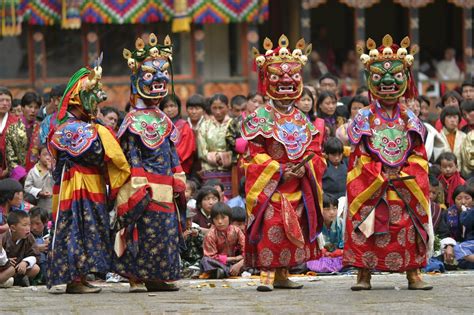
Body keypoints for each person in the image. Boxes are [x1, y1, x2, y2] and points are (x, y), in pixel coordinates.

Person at [344, 35, 433, 290]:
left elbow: (419, 155)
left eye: (395, 76)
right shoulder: (362, 118)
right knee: (365, 221)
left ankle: (413, 273)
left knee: (410, 221)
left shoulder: (410, 119)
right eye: (379, 77)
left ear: (406, 78)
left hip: (405, 183)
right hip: (373, 185)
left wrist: (404, 174)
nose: (387, 82)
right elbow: (358, 156)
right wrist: (379, 174)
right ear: (369, 80)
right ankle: (363, 274)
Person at [242, 35, 325, 291]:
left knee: (293, 231)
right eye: (278, 78)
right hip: (272, 185)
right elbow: (253, 153)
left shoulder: (302, 118)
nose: (286, 83)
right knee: (271, 226)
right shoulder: (260, 117)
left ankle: (283, 274)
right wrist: (279, 170)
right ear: (267, 80)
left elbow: (315, 150)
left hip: (298, 184)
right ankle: (266, 275)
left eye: (293, 78)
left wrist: (304, 167)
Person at [47, 60, 131, 293]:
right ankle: (74, 280)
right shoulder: (75, 128)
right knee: (77, 228)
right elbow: (94, 154)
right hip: (78, 186)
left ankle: (81, 277)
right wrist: (101, 130)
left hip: (85, 184)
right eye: (94, 98)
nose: (98, 104)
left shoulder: (79, 125)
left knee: (86, 228)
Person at [113, 34, 186, 293]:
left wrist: (179, 173)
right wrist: (138, 178)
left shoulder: (163, 118)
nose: (159, 81)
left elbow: (170, 149)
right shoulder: (132, 120)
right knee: (142, 231)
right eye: (150, 75)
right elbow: (131, 152)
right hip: (144, 186)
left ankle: (159, 277)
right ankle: (135, 277)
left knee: (166, 232)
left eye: (163, 74)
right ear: (136, 80)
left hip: (165, 185)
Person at [197, 93, 233, 198]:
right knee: (210, 200)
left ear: (228, 107)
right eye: (214, 108)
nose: (217, 111)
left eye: (221, 108)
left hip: (229, 170)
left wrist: (222, 157)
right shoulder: (204, 125)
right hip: (209, 170)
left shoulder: (234, 124)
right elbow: (202, 151)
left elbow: (237, 149)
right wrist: (216, 157)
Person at [200, 202, 245, 278]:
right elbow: (211, 256)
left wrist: (239, 263)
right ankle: (229, 271)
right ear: (212, 220)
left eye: (223, 218)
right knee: (205, 261)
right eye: (216, 219)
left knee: (253, 258)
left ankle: (226, 272)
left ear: (229, 218)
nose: (220, 222)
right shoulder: (210, 234)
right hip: (220, 263)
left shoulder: (236, 230)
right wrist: (233, 258)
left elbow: (246, 249)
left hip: (237, 262)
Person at [436, 185, 473, 269]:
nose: (463, 202)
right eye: (459, 199)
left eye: (467, 198)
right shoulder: (446, 213)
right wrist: (449, 245)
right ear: (454, 200)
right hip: (453, 247)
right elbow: (444, 234)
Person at [1, 210, 40, 287]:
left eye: (29, 225)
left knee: (35, 268)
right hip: (5, 269)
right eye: (24, 225)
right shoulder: (3, 237)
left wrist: (25, 262)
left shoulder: (29, 237)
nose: (28, 228)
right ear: (13, 228)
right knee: (11, 270)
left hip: (19, 268)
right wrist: (7, 261)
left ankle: (14, 281)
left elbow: (35, 255)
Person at [160, 94, 196, 175]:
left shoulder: (185, 127)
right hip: (160, 169)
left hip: (179, 170)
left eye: (172, 106)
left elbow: (184, 152)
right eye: (166, 107)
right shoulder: (158, 127)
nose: (169, 109)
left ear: (178, 108)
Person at [307, 195, 344, 273]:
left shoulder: (341, 223)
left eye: (335, 208)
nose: (332, 212)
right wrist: (322, 251)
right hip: (320, 256)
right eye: (327, 209)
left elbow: (344, 244)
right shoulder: (314, 224)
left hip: (336, 256)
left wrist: (339, 251)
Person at [0, 87, 27, 180]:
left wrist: (8, 169)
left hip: (12, 169)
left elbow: (21, 149)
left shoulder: (16, 122)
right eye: (1, 100)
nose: (4, 103)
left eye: (7, 100)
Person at [295, 87, 325, 153]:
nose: (306, 103)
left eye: (309, 100)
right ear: (295, 103)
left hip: (315, 156)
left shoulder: (319, 122)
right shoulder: (291, 121)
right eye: (303, 100)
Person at [24, 146, 53, 212]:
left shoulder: (55, 170)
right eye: (45, 155)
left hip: (54, 203)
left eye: (50, 155)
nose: (48, 157)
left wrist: (51, 170)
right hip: (40, 204)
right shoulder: (33, 171)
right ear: (39, 156)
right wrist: (39, 192)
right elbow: (27, 187)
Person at [20, 92, 42, 172]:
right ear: (22, 107)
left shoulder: (41, 127)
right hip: (16, 174)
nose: (33, 110)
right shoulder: (13, 127)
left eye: (36, 107)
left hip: (35, 172)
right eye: (30, 107)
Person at [180, 209, 204, 278]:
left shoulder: (197, 230)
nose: (188, 223)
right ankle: (192, 272)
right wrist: (182, 239)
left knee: (204, 262)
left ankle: (193, 271)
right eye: (186, 220)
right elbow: (177, 251)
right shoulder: (177, 233)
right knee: (179, 264)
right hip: (185, 261)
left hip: (197, 260)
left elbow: (204, 247)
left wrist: (197, 236)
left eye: (190, 220)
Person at [29, 207, 49, 284]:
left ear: (45, 222)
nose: (33, 227)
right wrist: (37, 248)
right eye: (31, 223)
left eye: (38, 224)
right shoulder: (26, 234)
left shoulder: (49, 232)